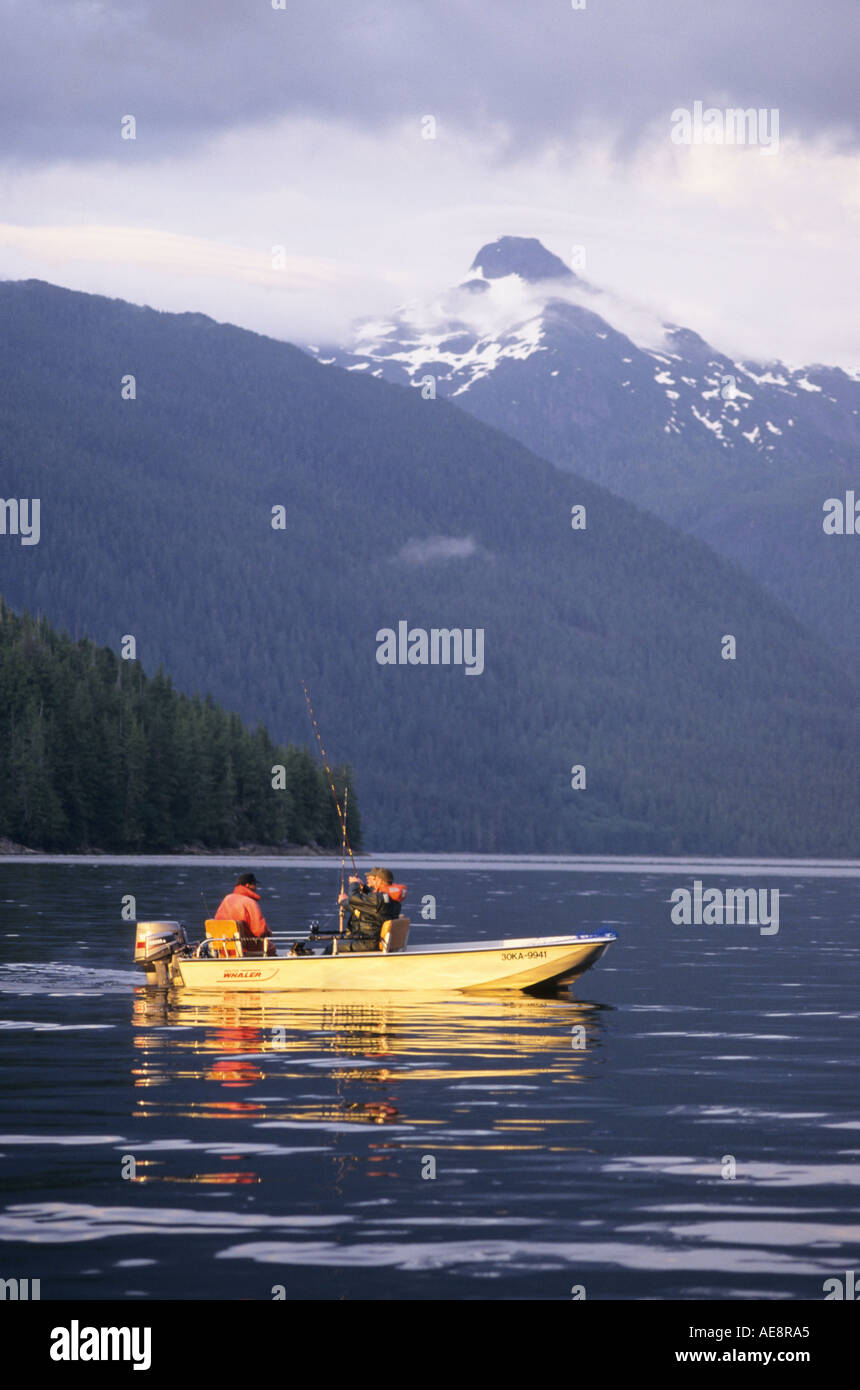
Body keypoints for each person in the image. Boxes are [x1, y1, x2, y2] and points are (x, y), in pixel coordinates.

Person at [337, 868, 407, 952]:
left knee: (332, 946)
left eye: (375, 879)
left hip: (368, 942)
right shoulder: (390, 899)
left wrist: (354, 884)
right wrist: (365, 888)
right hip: (375, 940)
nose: (372, 880)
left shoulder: (378, 899)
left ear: (380, 880)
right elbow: (372, 902)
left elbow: (353, 899)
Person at [214, 872, 276, 957]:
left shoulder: (227, 899)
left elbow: (217, 921)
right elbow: (260, 931)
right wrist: (268, 932)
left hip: (224, 948)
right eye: (254, 884)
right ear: (247, 885)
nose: (256, 888)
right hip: (246, 947)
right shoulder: (250, 903)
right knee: (271, 947)